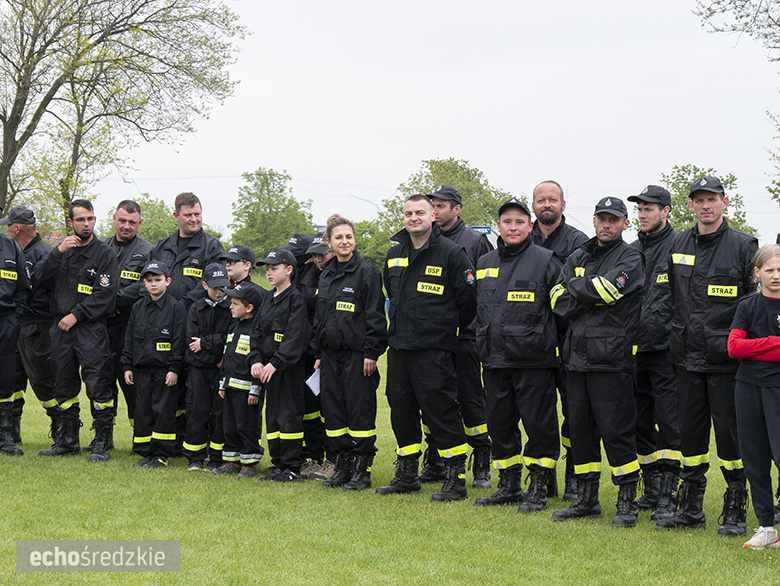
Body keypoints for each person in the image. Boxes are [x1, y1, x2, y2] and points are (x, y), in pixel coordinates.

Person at [657, 176, 758, 536]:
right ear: (691, 205)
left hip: (726, 362)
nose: (705, 205)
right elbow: (666, 295)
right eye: (699, 200)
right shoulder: (677, 242)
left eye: (712, 199)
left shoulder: (744, 246)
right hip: (685, 358)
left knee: (731, 438)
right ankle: (690, 508)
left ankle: (736, 507)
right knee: (690, 437)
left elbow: (754, 305)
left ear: (725, 202)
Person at [550, 196, 644, 527]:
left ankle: (626, 502)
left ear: (624, 224)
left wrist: (574, 288)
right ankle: (586, 500)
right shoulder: (579, 254)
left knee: (617, 432)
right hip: (575, 361)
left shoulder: (631, 257)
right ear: (593, 221)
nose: (607, 224)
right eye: (601, 218)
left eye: (614, 219)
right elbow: (556, 300)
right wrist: (584, 292)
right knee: (580, 433)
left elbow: (608, 291)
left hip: (611, 360)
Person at [377, 194, 477, 502]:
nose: (413, 218)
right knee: (401, 410)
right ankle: (407, 474)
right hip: (400, 348)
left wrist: (442, 329)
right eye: (408, 213)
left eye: (420, 212)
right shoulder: (394, 253)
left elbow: (468, 303)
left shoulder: (451, 252)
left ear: (433, 215)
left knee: (441, 411)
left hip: (435, 349)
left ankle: (455, 478)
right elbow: (390, 292)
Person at [472, 198, 561, 511]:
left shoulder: (546, 260)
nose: (513, 227)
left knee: (540, 426)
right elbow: (477, 309)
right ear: (498, 226)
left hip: (533, 361)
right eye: (507, 222)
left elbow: (560, 312)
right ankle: (508, 485)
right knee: (499, 425)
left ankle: (538, 486)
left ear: (530, 226)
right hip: (494, 359)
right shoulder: (484, 263)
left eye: (519, 222)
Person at [35, 199, 119, 461]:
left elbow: (105, 294)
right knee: (63, 383)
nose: (87, 224)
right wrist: (57, 252)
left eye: (90, 218)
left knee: (98, 384)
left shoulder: (105, 254)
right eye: (81, 219)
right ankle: (67, 440)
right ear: (70, 222)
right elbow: (38, 277)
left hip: (90, 329)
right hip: (60, 330)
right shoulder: (62, 251)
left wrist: (77, 315)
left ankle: (101, 443)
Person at [312, 216, 388, 490]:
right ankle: (342, 467)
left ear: (354, 240)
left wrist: (371, 352)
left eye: (349, 237)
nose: (344, 242)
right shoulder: (327, 274)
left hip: (358, 357)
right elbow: (321, 319)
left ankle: (362, 470)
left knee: (359, 413)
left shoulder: (367, 273)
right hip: (330, 357)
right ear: (329, 243)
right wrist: (319, 352)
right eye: (339, 238)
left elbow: (375, 317)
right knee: (334, 413)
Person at [426, 185, 493, 489]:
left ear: (457, 209)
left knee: (470, 398)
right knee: (435, 398)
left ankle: (481, 463)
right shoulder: (425, 241)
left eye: (441, 206)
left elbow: (484, 290)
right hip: (434, 337)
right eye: (433, 206)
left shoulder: (475, 241)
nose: (435, 211)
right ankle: (437, 460)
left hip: (465, 336)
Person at [147, 192, 224, 451]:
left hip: (197, 325)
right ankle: (174, 437)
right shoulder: (161, 247)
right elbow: (149, 280)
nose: (194, 219)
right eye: (189, 214)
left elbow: (213, 284)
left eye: (198, 214)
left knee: (194, 385)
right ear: (176, 215)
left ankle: (197, 439)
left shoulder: (211, 247)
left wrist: (178, 306)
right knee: (169, 380)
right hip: (163, 324)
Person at [530, 180, 589, 500]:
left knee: (574, 411)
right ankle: (544, 476)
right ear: (534, 205)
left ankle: (575, 475)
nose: (547, 205)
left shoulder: (579, 242)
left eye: (552, 199)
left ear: (563, 205)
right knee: (539, 413)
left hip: (569, 339)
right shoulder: (524, 238)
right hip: (533, 342)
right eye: (541, 200)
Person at [626, 186, 681, 521]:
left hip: (667, 352)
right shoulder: (630, 252)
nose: (643, 214)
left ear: (667, 211)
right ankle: (652, 487)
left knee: (670, 424)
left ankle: (671, 494)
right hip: (634, 351)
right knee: (639, 423)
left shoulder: (680, 246)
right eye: (640, 209)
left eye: (650, 208)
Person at [728, 244, 780, 550]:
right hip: (747, 388)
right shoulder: (747, 307)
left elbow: (745, 346)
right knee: (755, 459)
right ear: (757, 273)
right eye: (770, 270)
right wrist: (774, 342)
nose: (776, 276)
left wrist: (755, 346)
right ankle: (766, 528)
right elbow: (734, 348)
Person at [250, 248, 311, 482]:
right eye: (267, 269)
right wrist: (255, 359)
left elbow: (295, 336)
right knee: (273, 417)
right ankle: (278, 464)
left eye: (274, 268)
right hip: (267, 370)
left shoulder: (296, 299)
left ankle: (292, 467)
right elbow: (256, 332)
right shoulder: (268, 297)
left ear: (289, 270)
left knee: (288, 416)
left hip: (287, 369)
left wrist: (276, 363)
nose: (269, 273)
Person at [122, 261, 186, 468]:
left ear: (167, 281)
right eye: (149, 281)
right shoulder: (138, 307)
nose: (153, 284)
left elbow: (179, 341)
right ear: (144, 283)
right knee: (143, 411)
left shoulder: (176, 308)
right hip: (141, 370)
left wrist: (174, 369)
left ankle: (161, 454)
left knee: (163, 412)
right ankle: (144, 451)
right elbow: (130, 339)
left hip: (164, 371)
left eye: (158, 280)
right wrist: (127, 366)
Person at [2, 206, 54, 448]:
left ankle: (62, 431)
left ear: (17, 227)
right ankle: (10, 431)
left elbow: (28, 289)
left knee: (43, 380)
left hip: (36, 326)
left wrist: (19, 313)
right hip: (18, 325)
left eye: (9, 224)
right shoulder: (16, 248)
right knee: (12, 381)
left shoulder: (42, 252)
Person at [103, 200, 152, 446]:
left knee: (133, 386)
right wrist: (104, 305)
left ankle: (140, 438)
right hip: (101, 328)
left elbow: (145, 285)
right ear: (113, 219)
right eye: (122, 221)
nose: (126, 226)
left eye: (132, 222)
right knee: (102, 383)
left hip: (131, 330)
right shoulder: (100, 248)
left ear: (140, 223)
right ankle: (103, 437)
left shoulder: (148, 251)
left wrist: (114, 302)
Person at [286, 232, 329, 480]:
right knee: (309, 407)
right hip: (306, 351)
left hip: (329, 351)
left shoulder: (338, 275)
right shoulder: (305, 275)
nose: (318, 259)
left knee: (330, 408)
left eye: (322, 253)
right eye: (314, 254)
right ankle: (313, 457)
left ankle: (334, 459)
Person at [183, 263, 233, 471]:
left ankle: (216, 458)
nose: (220, 292)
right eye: (215, 288)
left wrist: (207, 343)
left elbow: (230, 338)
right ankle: (195, 457)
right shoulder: (195, 308)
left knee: (220, 412)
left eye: (223, 287)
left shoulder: (231, 307)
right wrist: (215, 357)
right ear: (204, 285)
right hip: (199, 369)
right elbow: (192, 343)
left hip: (222, 370)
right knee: (197, 410)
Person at [214, 282, 266, 478]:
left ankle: (250, 463)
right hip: (229, 387)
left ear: (249, 308)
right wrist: (222, 384)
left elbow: (258, 360)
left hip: (247, 392)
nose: (230, 307)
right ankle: (232, 460)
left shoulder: (256, 330)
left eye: (235, 303)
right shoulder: (234, 327)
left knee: (247, 426)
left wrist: (255, 389)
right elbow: (227, 358)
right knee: (230, 425)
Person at [0, 206, 29, 455]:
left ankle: (4, 436)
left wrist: (15, 317)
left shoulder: (11, 247)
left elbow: (22, 288)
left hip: (6, 322)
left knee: (5, 378)